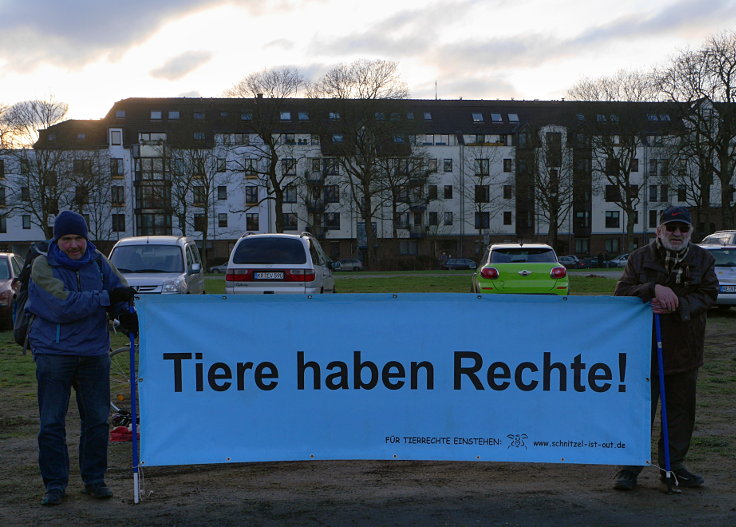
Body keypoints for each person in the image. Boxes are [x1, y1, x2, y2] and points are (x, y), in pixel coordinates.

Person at [27, 211, 138, 506]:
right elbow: (62, 306)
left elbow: (119, 289)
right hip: (53, 353)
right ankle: (54, 485)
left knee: (98, 421)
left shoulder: (98, 260)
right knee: (51, 423)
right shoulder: (42, 265)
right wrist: (106, 299)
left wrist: (126, 313)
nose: (74, 245)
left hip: (93, 353)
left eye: (78, 238)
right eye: (67, 239)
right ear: (57, 240)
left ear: (85, 238)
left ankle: (94, 479)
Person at [612, 206, 718, 491]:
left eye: (683, 229)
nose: (677, 233)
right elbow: (621, 293)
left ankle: (673, 467)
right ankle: (630, 467)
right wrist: (652, 288)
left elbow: (708, 294)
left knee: (680, 413)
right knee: (639, 412)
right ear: (659, 231)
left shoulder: (703, 259)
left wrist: (679, 306)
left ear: (690, 233)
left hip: (685, 349)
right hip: (644, 350)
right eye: (671, 228)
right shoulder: (640, 258)